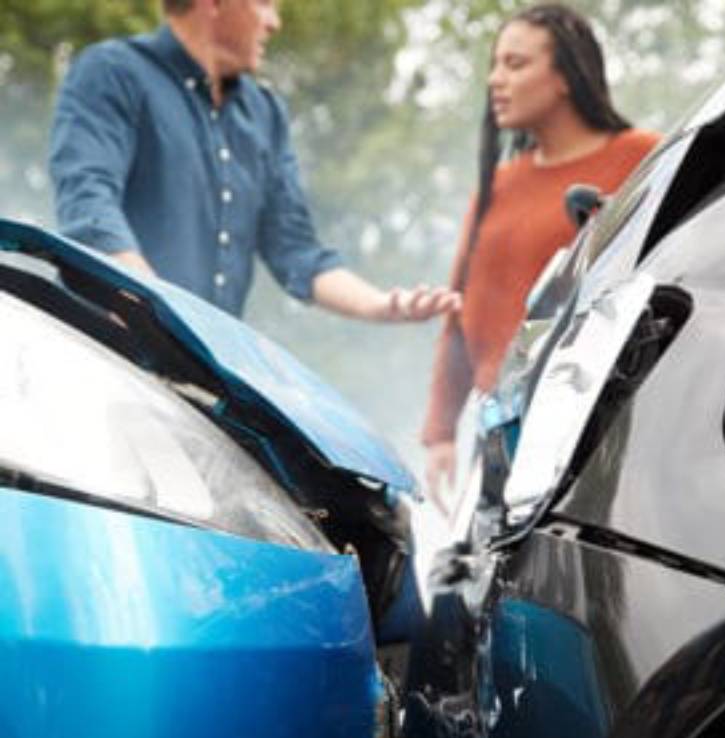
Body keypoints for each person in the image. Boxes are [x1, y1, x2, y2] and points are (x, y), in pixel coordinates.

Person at [49, 0, 460, 323]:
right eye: (264, 3)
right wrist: (152, 309)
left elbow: (295, 250)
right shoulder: (112, 71)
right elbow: (88, 203)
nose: (274, 22)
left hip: (195, 382)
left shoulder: (265, 113)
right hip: (102, 359)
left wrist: (383, 304)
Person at [421, 3, 660, 514]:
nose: (495, 80)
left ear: (566, 76)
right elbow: (459, 312)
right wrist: (441, 432)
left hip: (592, 440)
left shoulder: (642, 159)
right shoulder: (497, 186)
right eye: (494, 64)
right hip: (498, 441)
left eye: (515, 64)